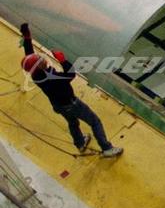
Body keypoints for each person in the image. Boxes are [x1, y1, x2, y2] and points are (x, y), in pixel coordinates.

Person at [19, 23, 123, 158]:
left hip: (58, 106)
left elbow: (29, 56)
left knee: (72, 122)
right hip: (72, 104)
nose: (42, 59)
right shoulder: (51, 78)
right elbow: (70, 75)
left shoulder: (36, 74)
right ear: (38, 66)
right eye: (40, 60)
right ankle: (107, 148)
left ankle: (80, 143)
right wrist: (63, 61)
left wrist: (27, 38)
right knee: (95, 121)